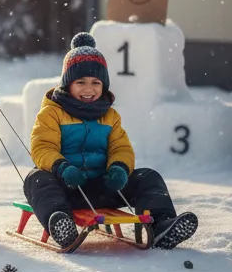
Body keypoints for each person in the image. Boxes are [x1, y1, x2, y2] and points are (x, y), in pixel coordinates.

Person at [24, 32, 198, 250]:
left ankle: (161, 224)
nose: (89, 89)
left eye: (96, 82)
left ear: (104, 85)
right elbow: (42, 147)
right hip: (67, 188)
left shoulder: (110, 117)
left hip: (103, 187)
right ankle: (61, 223)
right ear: (67, 84)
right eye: (80, 82)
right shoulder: (51, 113)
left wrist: (119, 168)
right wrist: (62, 168)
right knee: (36, 179)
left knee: (148, 177)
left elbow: (121, 148)